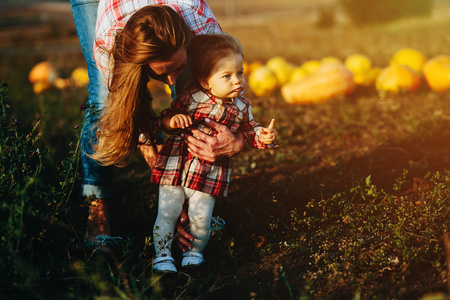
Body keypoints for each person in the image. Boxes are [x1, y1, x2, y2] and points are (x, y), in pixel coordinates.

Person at [70, 0, 244, 251]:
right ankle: (97, 213)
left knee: (195, 92)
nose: (170, 81)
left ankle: (196, 199)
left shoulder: (202, 27)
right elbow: (131, 109)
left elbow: (225, 89)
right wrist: (169, 184)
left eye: (178, 66)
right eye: (161, 74)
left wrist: (235, 140)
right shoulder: (109, 43)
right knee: (102, 98)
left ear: (188, 41)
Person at [150, 33, 278, 273]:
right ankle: (163, 254)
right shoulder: (191, 98)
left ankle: (194, 253)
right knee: (167, 212)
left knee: (201, 218)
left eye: (240, 72)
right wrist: (172, 122)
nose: (237, 81)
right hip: (177, 165)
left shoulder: (243, 106)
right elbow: (164, 119)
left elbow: (251, 130)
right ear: (206, 81)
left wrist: (263, 137)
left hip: (209, 172)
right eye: (227, 76)